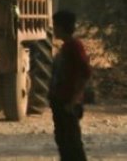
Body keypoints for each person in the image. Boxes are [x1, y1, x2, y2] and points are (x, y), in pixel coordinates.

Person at [49, 10, 91, 161]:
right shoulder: (67, 46)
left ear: (61, 27)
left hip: (68, 103)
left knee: (71, 143)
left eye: (55, 26)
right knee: (64, 141)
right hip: (61, 102)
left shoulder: (74, 46)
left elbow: (85, 73)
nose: (53, 29)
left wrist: (73, 100)